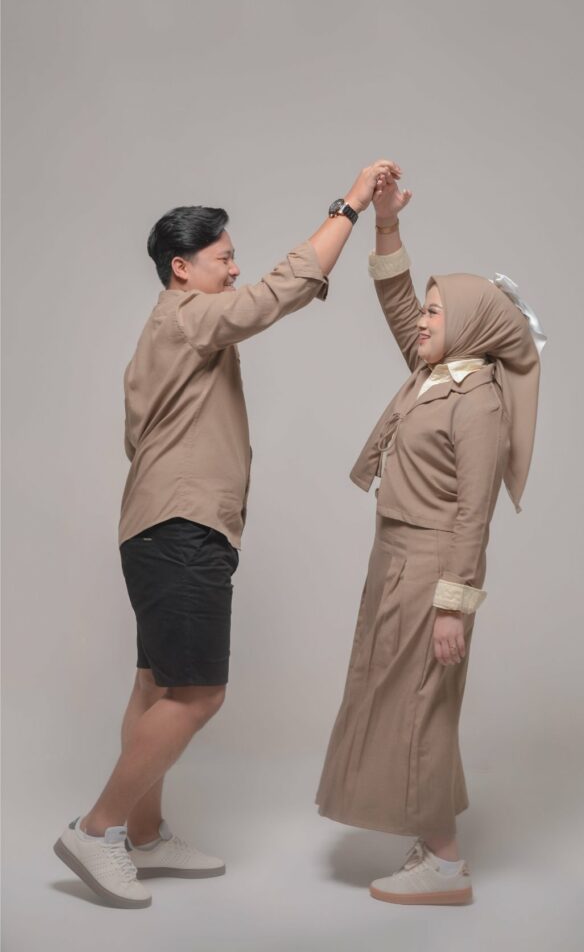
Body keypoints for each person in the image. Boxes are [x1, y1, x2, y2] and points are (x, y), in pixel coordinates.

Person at [53, 159, 402, 909]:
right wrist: (349, 206)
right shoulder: (186, 317)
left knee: (155, 685)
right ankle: (96, 829)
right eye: (223, 258)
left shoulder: (166, 334)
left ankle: (144, 836)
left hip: (156, 528)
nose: (235, 269)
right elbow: (279, 292)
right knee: (200, 694)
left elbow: (137, 438)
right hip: (181, 529)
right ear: (181, 268)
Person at [315, 171, 546, 906]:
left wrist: (453, 605)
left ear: (472, 325)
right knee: (396, 697)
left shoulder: (477, 401)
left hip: (432, 564)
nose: (422, 319)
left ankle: (445, 865)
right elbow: (397, 304)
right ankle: (431, 842)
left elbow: (474, 514)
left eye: (438, 310)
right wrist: (386, 224)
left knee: (422, 705)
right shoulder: (434, 370)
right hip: (396, 555)